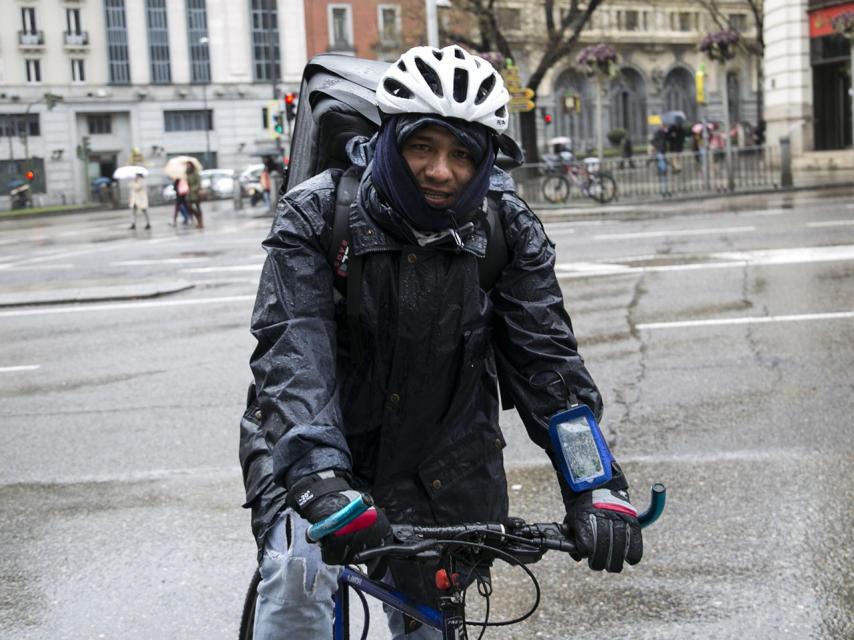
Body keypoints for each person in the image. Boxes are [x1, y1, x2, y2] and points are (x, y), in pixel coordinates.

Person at [241, 45, 643, 640]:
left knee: (433, 623)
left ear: (485, 161)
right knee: (297, 585)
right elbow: (296, 355)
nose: (440, 170)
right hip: (314, 445)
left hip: (444, 458)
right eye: (421, 145)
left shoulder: (508, 227)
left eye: (462, 153)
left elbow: (549, 369)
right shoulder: (316, 213)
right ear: (389, 138)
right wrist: (322, 478)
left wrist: (596, 485)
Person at [650, 124, 671, 198]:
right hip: (660, 154)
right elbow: (652, 141)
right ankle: (663, 191)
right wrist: (658, 147)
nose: (666, 128)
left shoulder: (664, 133)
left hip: (663, 154)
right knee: (663, 172)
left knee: (664, 173)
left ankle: (665, 190)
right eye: (665, 126)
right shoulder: (658, 132)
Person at [186, 162, 204, 228]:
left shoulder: (195, 173)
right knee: (189, 207)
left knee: (198, 207)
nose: (187, 166)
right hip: (189, 193)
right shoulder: (187, 174)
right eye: (187, 165)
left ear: (191, 166)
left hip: (196, 193)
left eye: (188, 165)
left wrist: (193, 189)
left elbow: (199, 183)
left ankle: (200, 222)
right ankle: (198, 218)